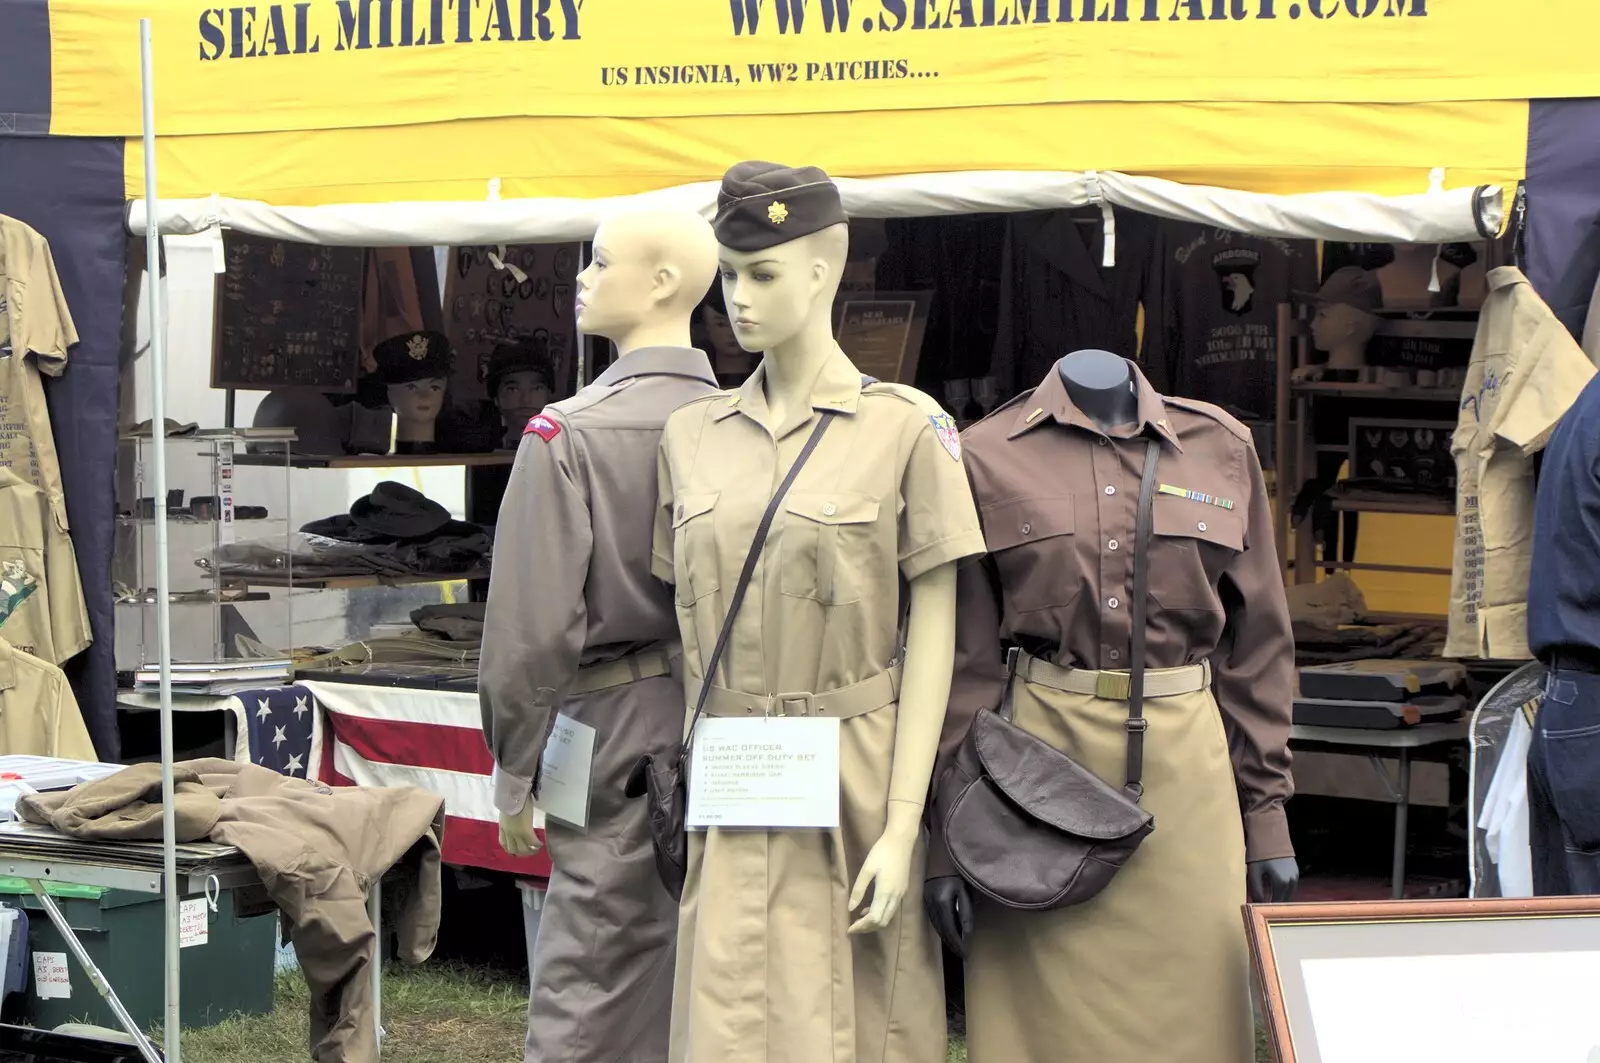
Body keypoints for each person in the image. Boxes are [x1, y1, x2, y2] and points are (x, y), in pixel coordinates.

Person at [653, 160, 984, 1063]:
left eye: (761, 273)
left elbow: (935, 641)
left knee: (850, 1025)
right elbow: (686, 629)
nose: (737, 297)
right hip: (732, 772)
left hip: (853, 777)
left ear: (824, 273)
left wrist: (906, 821)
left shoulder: (907, 430)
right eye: (727, 272)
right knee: (721, 1021)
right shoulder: (690, 438)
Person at [479, 206, 721, 1063]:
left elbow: (530, 634)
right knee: (714, 969)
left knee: (590, 961)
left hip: (610, 727)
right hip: (735, 722)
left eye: (601, 260)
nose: (581, 277)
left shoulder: (568, 435)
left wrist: (513, 769)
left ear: (662, 282)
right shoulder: (754, 426)